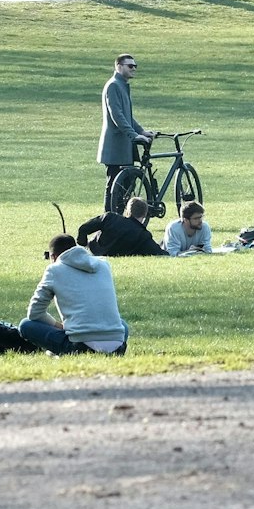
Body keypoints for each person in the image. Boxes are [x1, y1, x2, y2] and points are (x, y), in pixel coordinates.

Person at [21, 235, 129, 356]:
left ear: (53, 257)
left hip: (81, 346)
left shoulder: (54, 270)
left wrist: (59, 326)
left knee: (26, 325)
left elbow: (34, 313)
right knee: (122, 324)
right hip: (118, 347)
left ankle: (61, 353)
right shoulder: (103, 265)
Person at [99, 54, 155, 214]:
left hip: (124, 145)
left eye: (135, 66)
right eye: (130, 66)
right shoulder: (114, 85)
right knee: (114, 185)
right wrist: (134, 135)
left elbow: (127, 116)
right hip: (116, 146)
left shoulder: (121, 85)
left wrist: (141, 131)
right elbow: (116, 115)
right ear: (119, 66)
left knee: (127, 184)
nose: (134, 69)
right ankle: (110, 217)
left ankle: (120, 216)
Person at [78, 198, 169, 258]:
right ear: (145, 214)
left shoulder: (109, 218)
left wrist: (84, 244)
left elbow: (83, 229)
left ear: (127, 210)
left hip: (94, 252)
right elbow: (159, 253)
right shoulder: (142, 236)